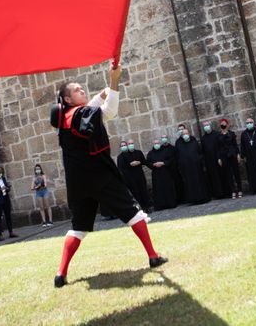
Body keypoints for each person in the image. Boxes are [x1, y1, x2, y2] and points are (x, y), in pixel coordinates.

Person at [49, 63, 167, 288]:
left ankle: (60, 273)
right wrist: (114, 81)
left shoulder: (65, 119)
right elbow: (107, 112)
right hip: (100, 176)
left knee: (78, 227)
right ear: (67, 99)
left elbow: (90, 109)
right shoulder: (83, 114)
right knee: (133, 213)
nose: (81, 90)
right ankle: (153, 255)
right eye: (76, 90)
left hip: (78, 183)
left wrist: (102, 92)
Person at [175, 129, 211, 204]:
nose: (185, 135)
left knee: (199, 183)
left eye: (186, 133)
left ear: (189, 133)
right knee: (189, 184)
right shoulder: (179, 144)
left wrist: (199, 161)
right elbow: (178, 156)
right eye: (183, 134)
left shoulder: (194, 142)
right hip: (187, 169)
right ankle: (193, 200)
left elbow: (200, 152)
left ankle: (202, 198)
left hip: (196, 168)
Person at [117, 140, 152, 212]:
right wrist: (130, 164)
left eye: (125, 145)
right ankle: (139, 209)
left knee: (143, 191)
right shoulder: (120, 157)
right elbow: (121, 168)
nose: (124, 146)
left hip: (139, 176)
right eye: (122, 145)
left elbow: (143, 161)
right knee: (135, 193)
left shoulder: (136, 153)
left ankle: (147, 207)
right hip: (130, 178)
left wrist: (139, 162)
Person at [146, 137, 178, 210]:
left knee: (168, 188)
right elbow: (147, 162)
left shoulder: (165, 151)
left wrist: (163, 163)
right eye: (155, 143)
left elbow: (170, 160)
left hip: (166, 173)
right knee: (158, 189)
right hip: (156, 174)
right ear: (153, 144)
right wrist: (153, 165)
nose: (156, 144)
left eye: (157, 143)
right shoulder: (150, 153)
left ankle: (171, 203)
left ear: (160, 144)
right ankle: (160, 205)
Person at [217, 119, 243, 198]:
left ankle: (239, 190)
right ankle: (233, 191)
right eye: (222, 124)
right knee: (228, 175)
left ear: (227, 125)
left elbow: (235, 145)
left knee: (236, 173)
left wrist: (238, 154)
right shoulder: (218, 136)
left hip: (232, 155)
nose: (223, 125)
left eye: (224, 123)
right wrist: (219, 158)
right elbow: (218, 148)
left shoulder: (232, 134)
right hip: (224, 156)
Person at [199, 121, 225, 199]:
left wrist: (219, 157)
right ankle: (217, 194)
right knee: (213, 177)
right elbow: (203, 151)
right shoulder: (203, 138)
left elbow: (221, 147)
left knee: (221, 175)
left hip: (218, 159)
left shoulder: (217, 134)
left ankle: (225, 192)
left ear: (210, 126)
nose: (206, 127)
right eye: (204, 126)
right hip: (209, 161)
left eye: (207, 125)